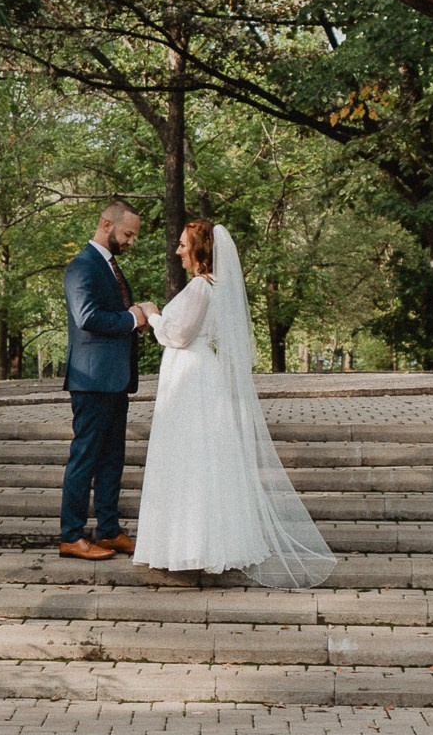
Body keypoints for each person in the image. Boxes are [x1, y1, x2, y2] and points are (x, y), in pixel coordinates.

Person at [133, 220, 336, 588]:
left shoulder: (201, 286)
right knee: (196, 457)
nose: (177, 251)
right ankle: (192, 542)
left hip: (191, 376)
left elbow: (178, 335)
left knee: (192, 456)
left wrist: (152, 313)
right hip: (191, 374)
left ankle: (195, 546)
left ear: (198, 249)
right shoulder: (211, 286)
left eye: (182, 244)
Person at [58, 200, 156, 560]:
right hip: (92, 380)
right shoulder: (81, 267)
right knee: (85, 457)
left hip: (115, 379)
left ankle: (109, 530)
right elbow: (87, 317)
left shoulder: (110, 267)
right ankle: (71, 535)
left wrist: (139, 311)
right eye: (128, 233)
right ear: (106, 224)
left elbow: (114, 311)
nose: (132, 241)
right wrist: (133, 319)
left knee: (113, 458)